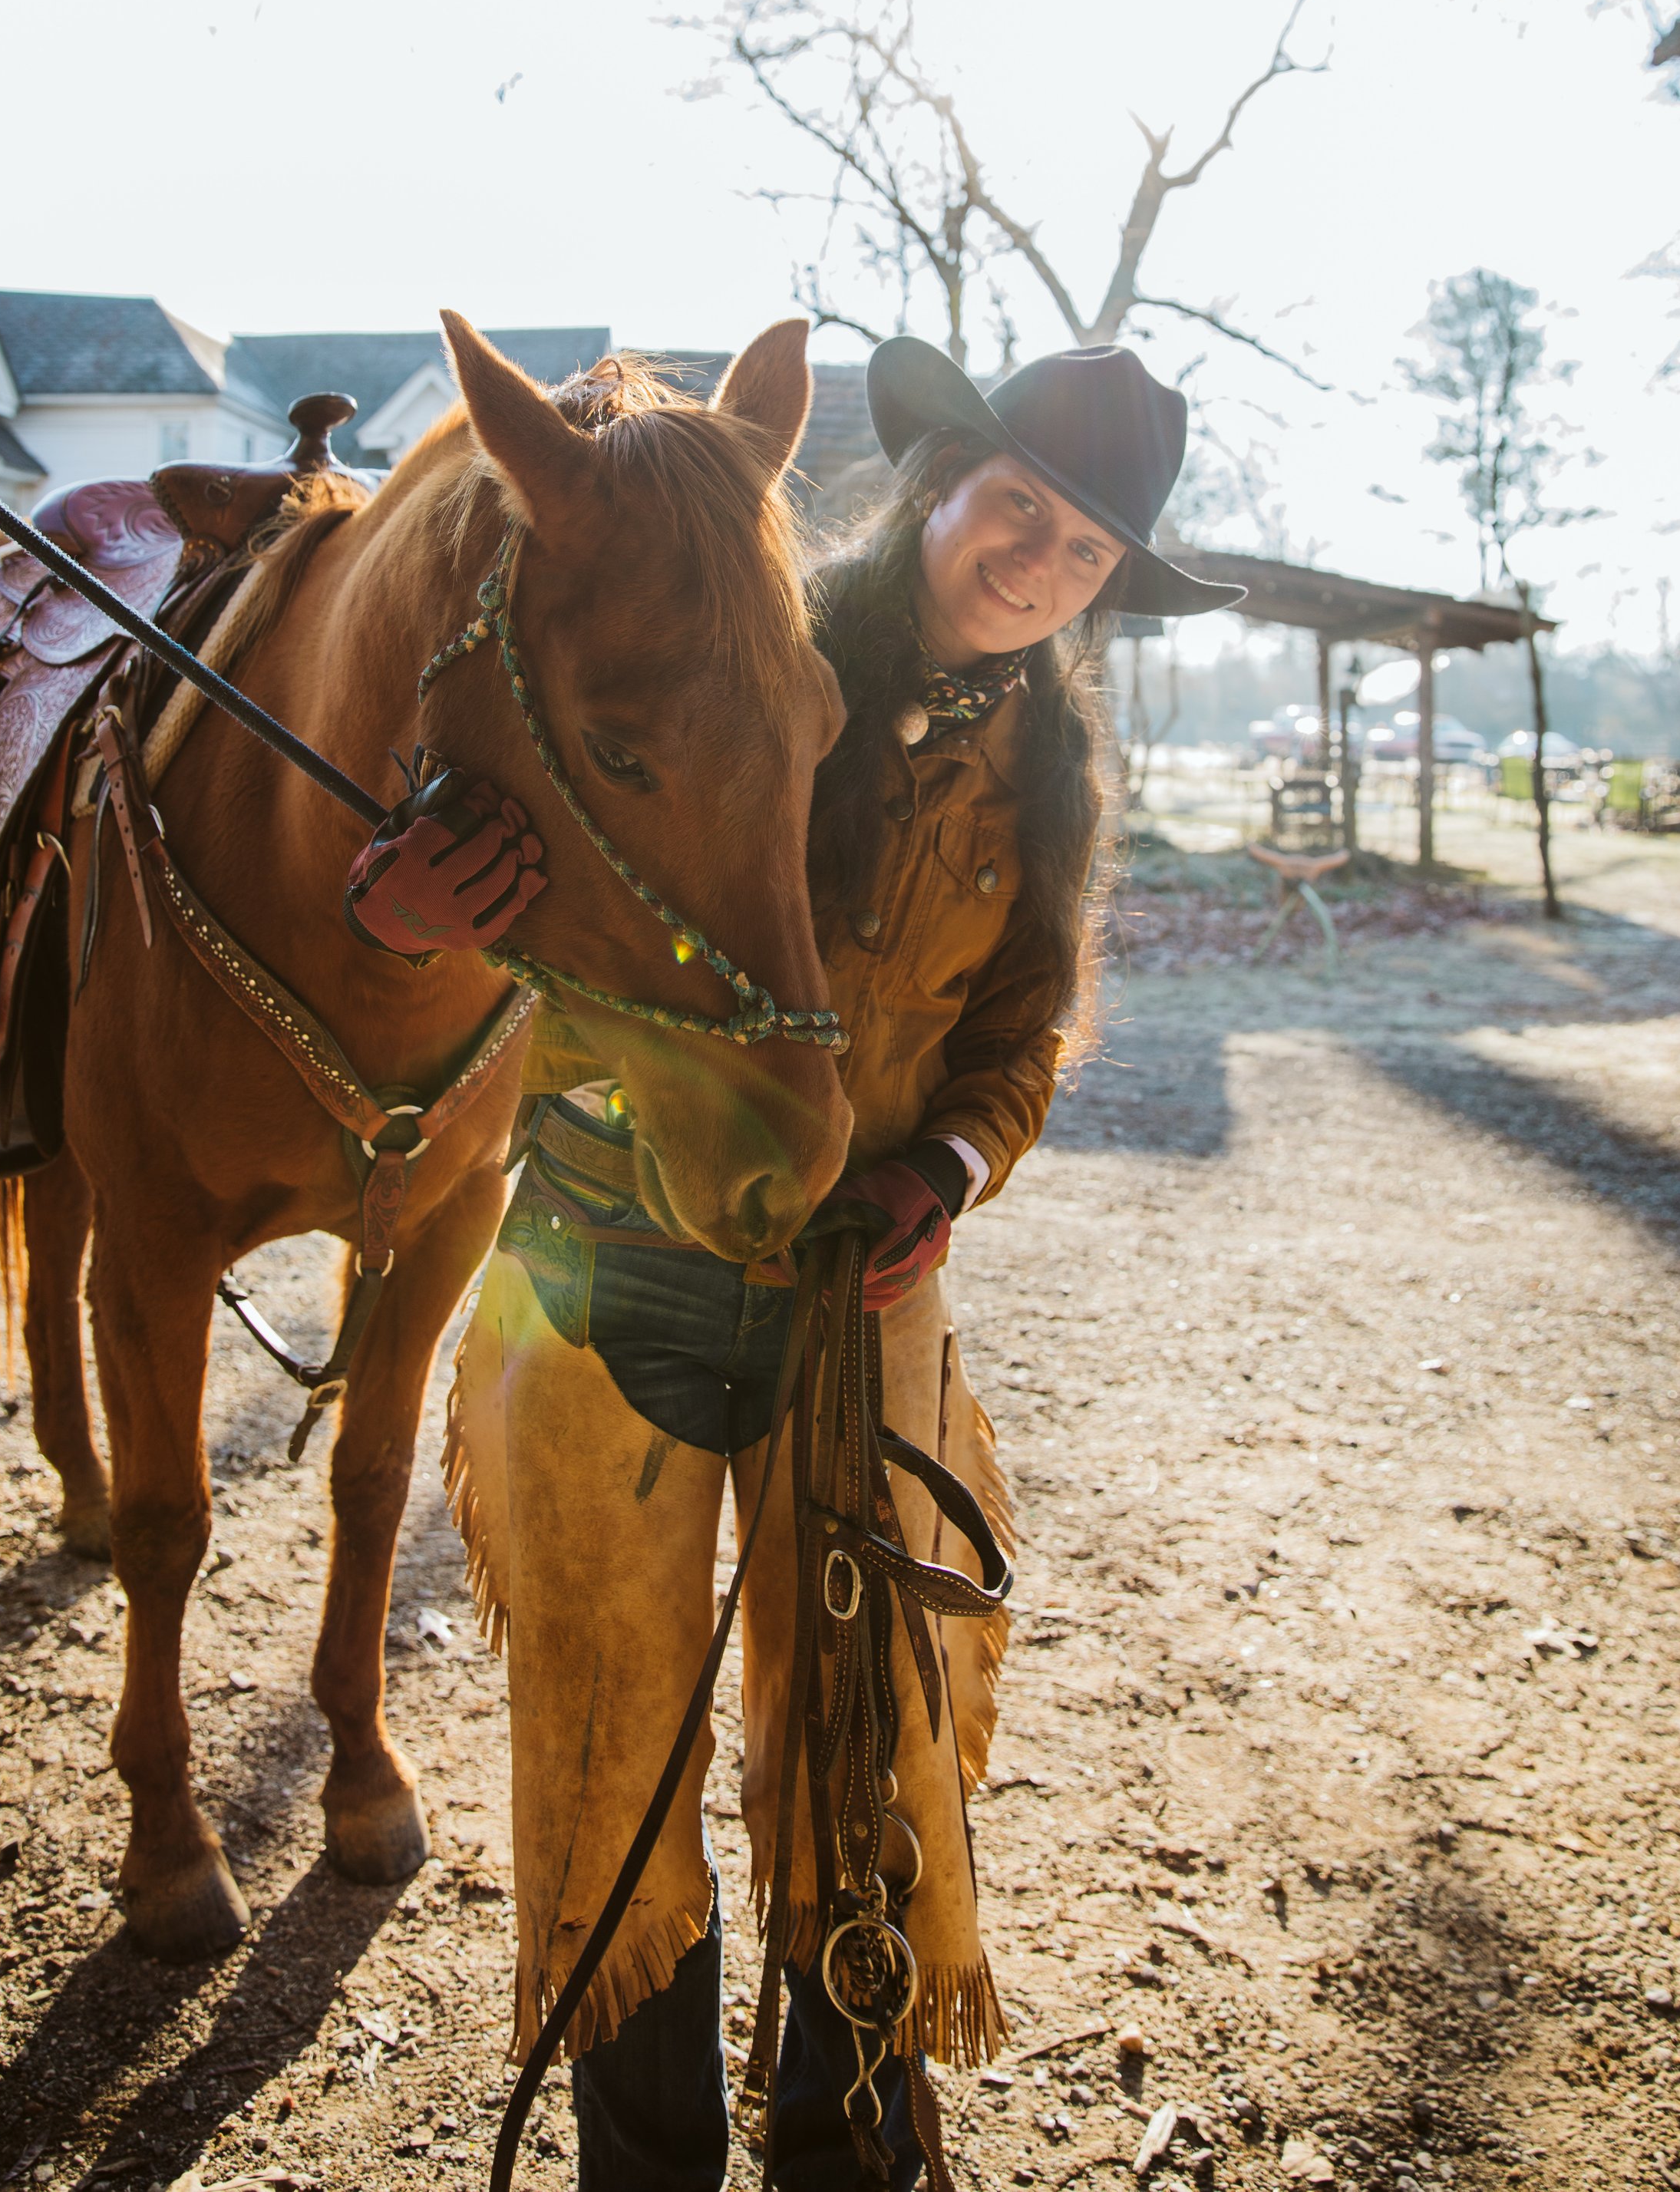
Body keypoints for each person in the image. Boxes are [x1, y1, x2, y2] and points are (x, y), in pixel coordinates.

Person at [352, 335, 1242, 2189]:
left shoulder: (1054, 764)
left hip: (863, 1293)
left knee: (867, 1731)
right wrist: (407, 913)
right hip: (615, 1253)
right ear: (936, 485)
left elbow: (1020, 1037)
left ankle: (843, 2148)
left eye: (1083, 552)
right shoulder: (736, 640)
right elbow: (507, 856)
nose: (1037, 564)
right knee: (611, 1736)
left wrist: (945, 1163)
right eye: (1019, 508)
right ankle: (647, 2161)